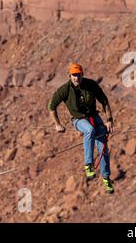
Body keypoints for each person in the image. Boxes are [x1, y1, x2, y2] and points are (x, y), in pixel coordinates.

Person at [48, 63, 115, 194]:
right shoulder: (64, 90)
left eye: (78, 75)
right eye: (74, 75)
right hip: (78, 119)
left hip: (94, 117)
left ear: (82, 74)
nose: (76, 78)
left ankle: (106, 178)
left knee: (103, 149)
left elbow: (104, 101)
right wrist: (57, 124)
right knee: (90, 130)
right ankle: (88, 165)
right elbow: (52, 107)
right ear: (70, 76)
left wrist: (109, 120)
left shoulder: (91, 85)